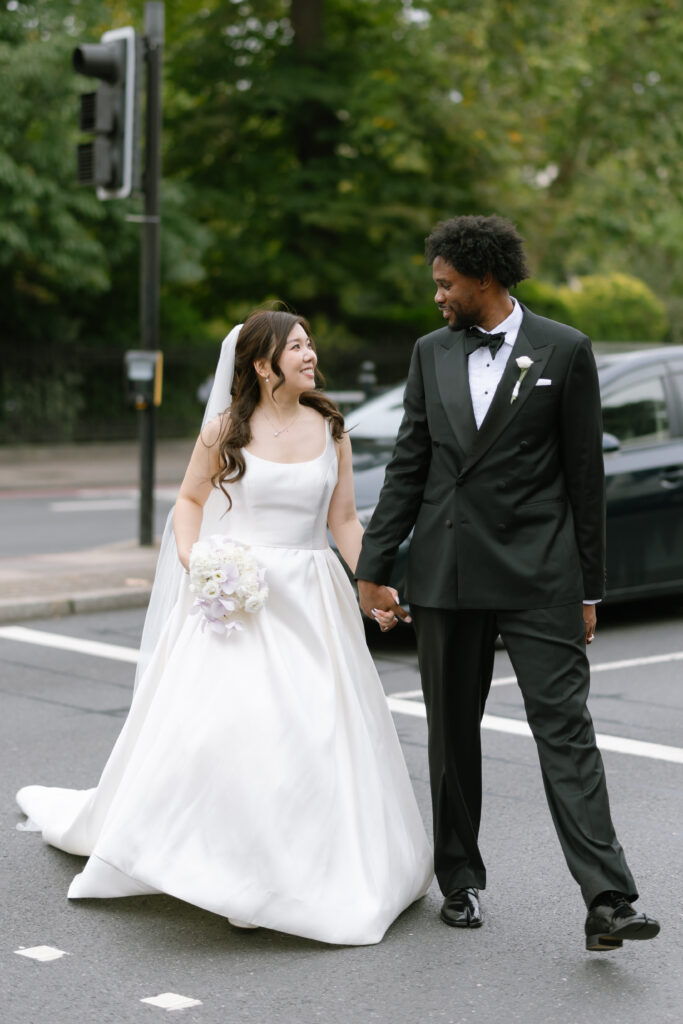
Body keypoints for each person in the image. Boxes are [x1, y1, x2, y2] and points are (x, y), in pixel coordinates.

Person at [16, 309, 433, 946]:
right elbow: (188, 503)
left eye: (309, 344)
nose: (310, 354)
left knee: (316, 734)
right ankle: (233, 870)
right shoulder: (225, 431)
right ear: (264, 365)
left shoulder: (331, 428)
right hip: (239, 601)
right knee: (236, 734)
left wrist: (369, 579)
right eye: (297, 347)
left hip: (311, 602)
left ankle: (296, 872)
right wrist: (198, 561)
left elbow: (344, 520)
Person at [355, 215, 660, 952]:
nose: (437, 297)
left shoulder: (564, 348)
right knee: (451, 735)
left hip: (540, 572)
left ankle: (607, 897)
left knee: (565, 730)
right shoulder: (430, 353)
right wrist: (373, 569)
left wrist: (590, 589)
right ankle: (458, 880)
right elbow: (409, 463)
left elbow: (584, 477)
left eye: (444, 283)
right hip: (445, 572)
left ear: (483, 279)